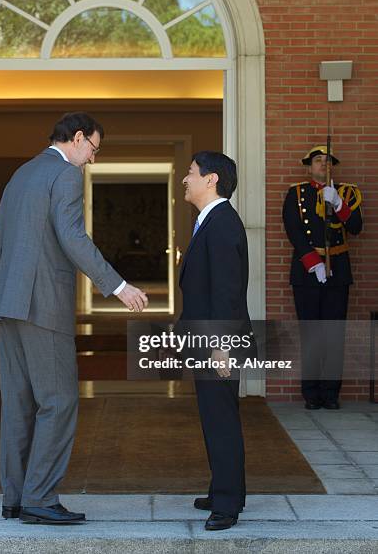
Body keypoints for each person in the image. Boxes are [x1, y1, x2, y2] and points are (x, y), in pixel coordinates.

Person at [0, 112, 148, 525]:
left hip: (9, 303)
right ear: (77, 138)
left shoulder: (22, 173)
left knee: (18, 405)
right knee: (58, 401)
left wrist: (6, 289)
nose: (92, 159)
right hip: (44, 306)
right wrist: (118, 286)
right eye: (94, 149)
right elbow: (73, 237)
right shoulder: (66, 175)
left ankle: (15, 497)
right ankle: (39, 498)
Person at [179, 151, 253, 531]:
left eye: (190, 173)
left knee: (221, 420)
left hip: (218, 343)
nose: (185, 180)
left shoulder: (222, 224)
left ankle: (227, 505)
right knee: (214, 418)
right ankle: (222, 488)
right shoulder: (212, 221)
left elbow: (226, 292)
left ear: (211, 180)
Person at [282, 145, 362, 410]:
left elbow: (356, 227)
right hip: (307, 273)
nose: (323, 165)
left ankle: (331, 393)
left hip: (338, 271)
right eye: (318, 161)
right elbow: (293, 229)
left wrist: (338, 204)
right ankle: (311, 393)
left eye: (328, 162)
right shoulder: (295, 194)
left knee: (333, 335)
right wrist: (313, 262)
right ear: (309, 166)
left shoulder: (346, 194)